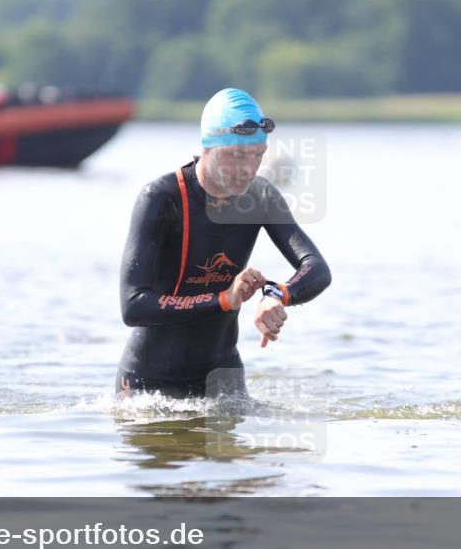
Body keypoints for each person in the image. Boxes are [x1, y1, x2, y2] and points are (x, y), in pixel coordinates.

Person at [116, 88, 331, 398]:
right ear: (208, 147)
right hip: (148, 384)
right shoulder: (162, 198)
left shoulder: (261, 197)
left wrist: (277, 294)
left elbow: (317, 268)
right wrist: (223, 299)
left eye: (258, 155)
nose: (249, 169)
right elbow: (134, 305)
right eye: (238, 156)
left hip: (223, 381)